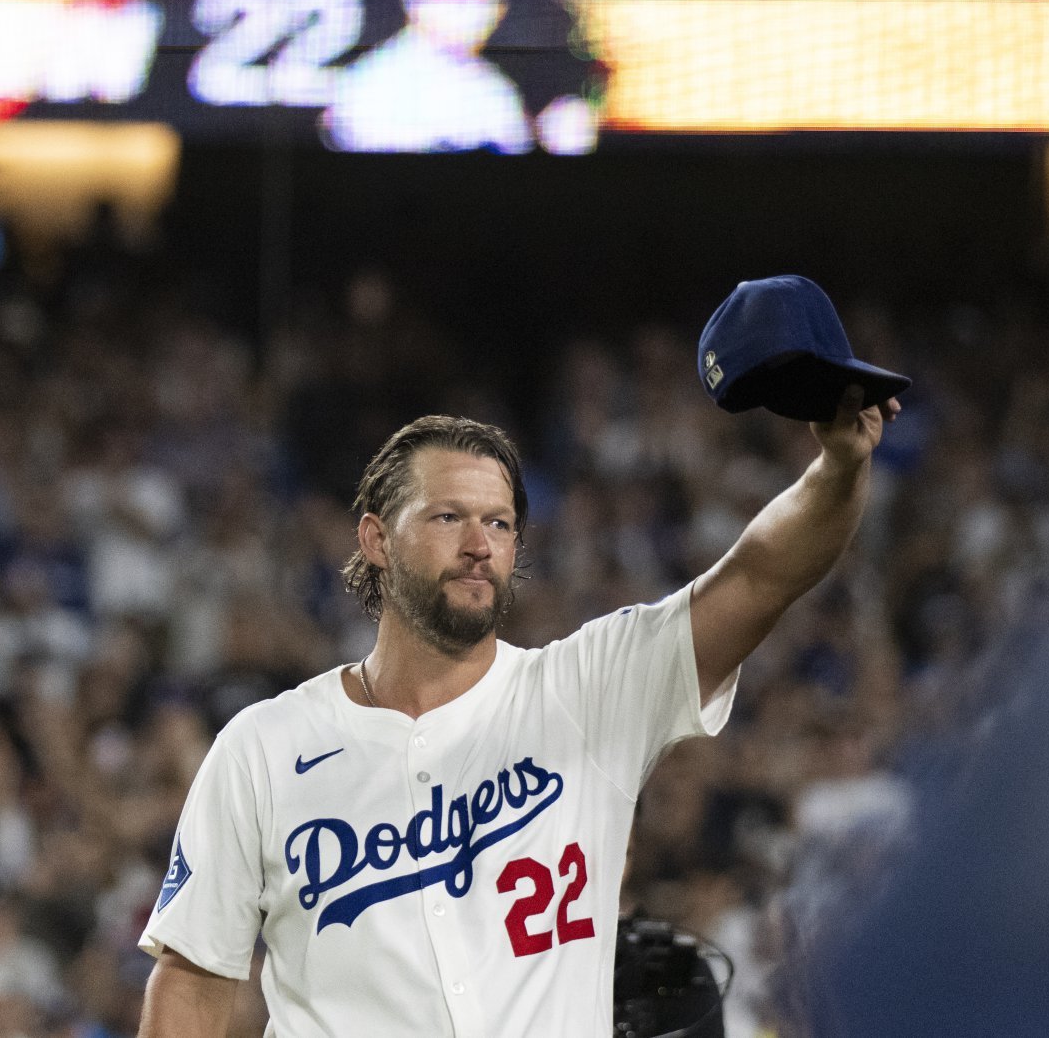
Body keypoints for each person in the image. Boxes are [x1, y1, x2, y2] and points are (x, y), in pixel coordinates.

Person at [136, 392, 897, 1038]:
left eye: (499, 524)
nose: (479, 546)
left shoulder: (588, 690)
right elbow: (195, 976)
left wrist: (840, 466)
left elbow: (762, 575)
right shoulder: (265, 747)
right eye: (447, 518)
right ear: (375, 538)